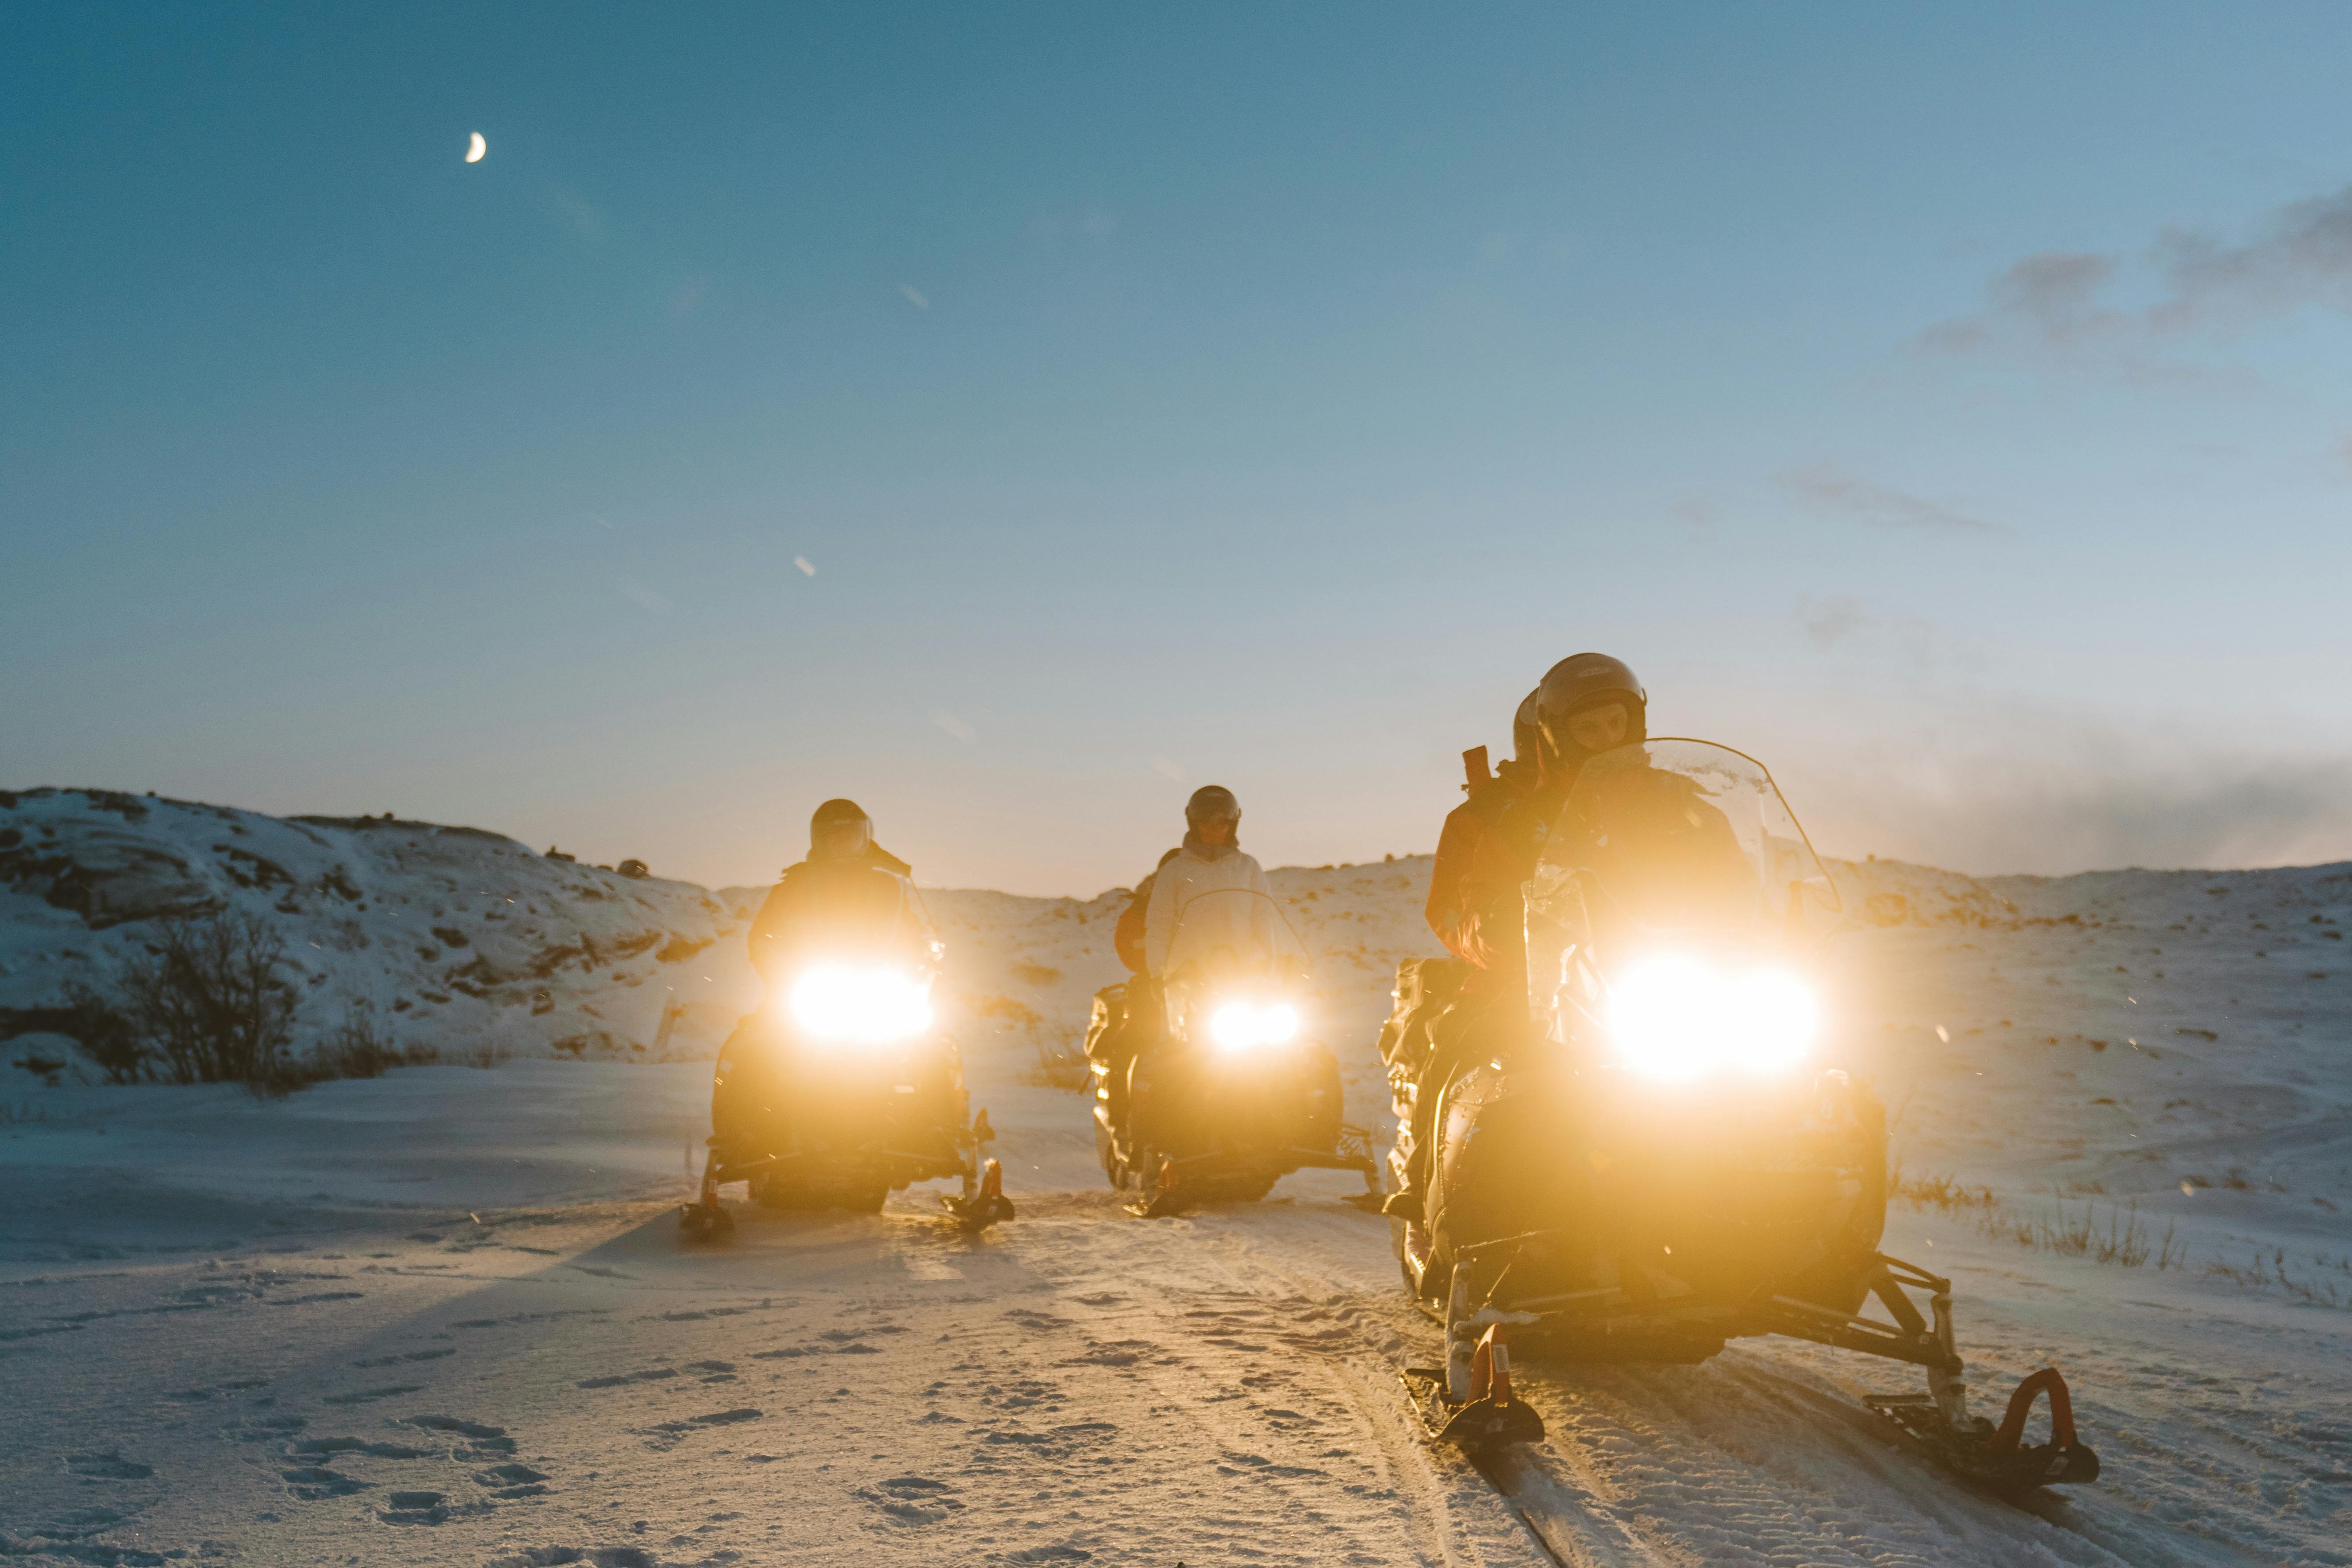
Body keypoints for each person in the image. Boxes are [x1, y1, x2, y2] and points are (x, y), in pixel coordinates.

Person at [1384, 654, 1647, 1222]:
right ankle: (1431, 1192)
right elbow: (1457, 907)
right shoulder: (1504, 816)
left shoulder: (1673, 803)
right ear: (1553, 736)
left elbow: (1733, 873)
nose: (1605, 739)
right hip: (1535, 982)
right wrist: (1501, 935)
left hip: (1659, 975)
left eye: (1615, 723)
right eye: (1588, 727)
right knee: (1465, 1046)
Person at [746, 798, 932, 981]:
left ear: (863, 839)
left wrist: (917, 960)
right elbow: (763, 939)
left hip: (879, 984)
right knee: (771, 1012)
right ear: (821, 841)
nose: (843, 844)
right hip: (809, 986)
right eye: (836, 838)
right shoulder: (795, 885)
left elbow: (909, 932)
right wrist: (780, 974)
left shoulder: (886, 885)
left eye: (850, 838)